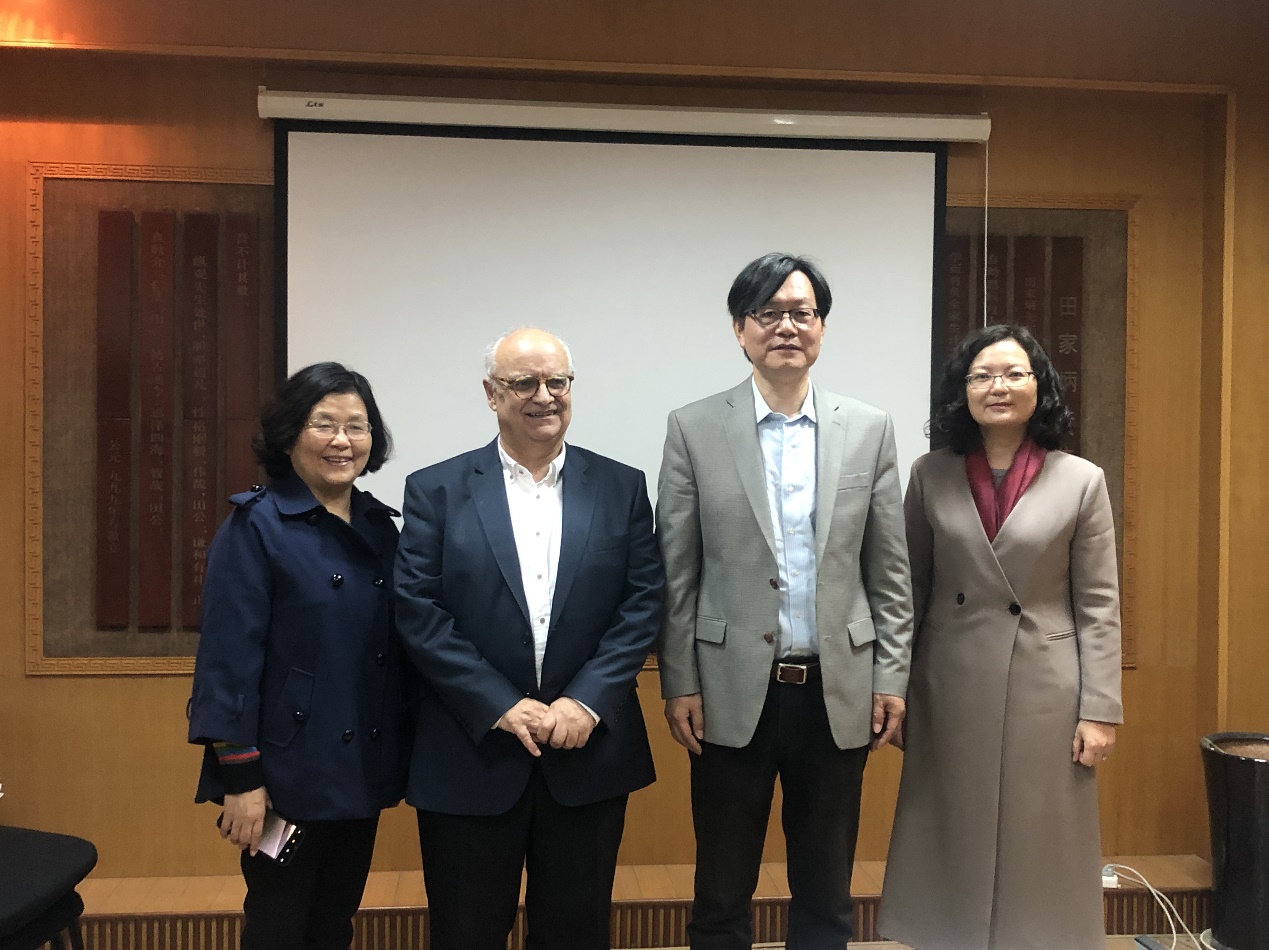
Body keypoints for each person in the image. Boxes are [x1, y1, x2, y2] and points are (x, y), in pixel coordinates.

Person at [656, 252, 914, 949]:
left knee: (826, 892)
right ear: (739, 329)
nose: (786, 327)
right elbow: (677, 572)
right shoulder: (693, 427)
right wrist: (679, 681)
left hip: (837, 689)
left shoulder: (867, 427)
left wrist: (890, 678)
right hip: (727, 689)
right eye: (767, 313)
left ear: (821, 327)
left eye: (801, 312)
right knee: (720, 889)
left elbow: (889, 572)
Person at [394, 328, 664, 950]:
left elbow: (642, 601)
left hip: (587, 753)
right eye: (524, 383)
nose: (544, 396)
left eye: (557, 381)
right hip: (472, 752)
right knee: (465, 933)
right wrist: (499, 703)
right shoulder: (436, 489)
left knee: (576, 933)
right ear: (492, 393)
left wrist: (586, 701)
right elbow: (418, 609)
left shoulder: (621, 487)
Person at [878, 324, 1123, 950]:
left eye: (1015, 374)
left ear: (1040, 387)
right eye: (983, 375)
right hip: (947, 682)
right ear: (963, 391)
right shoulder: (929, 474)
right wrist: (895, 688)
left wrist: (1100, 708)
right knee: (946, 831)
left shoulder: (1081, 480)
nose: (999, 387)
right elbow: (908, 591)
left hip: (1046, 686)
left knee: (1042, 838)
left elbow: (1098, 602)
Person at [187, 362, 409, 950]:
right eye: (324, 424)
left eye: (357, 426)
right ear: (288, 435)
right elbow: (227, 662)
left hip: (359, 765)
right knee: (279, 925)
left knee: (334, 922)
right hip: (283, 778)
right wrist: (241, 779)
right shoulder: (256, 527)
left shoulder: (380, 528)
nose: (343, 441)